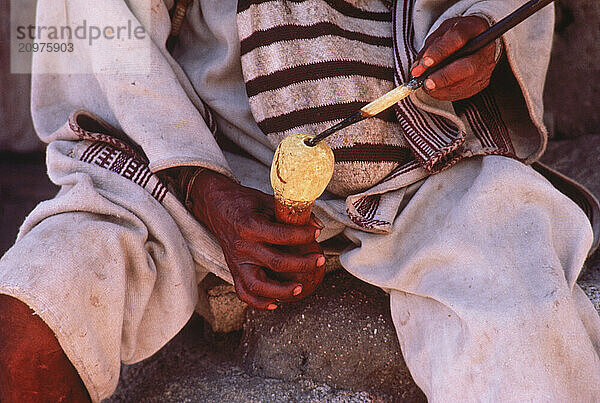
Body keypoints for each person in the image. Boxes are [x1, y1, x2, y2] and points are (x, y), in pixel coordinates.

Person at [1, 0, 600, 401]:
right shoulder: (186, 159)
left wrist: (483, 29)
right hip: (188, 144)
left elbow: (504, 9)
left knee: (525, 320)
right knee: (31, 317)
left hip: (418, 150)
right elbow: (83, 21)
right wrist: (197, 183)